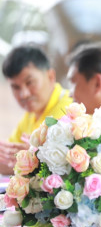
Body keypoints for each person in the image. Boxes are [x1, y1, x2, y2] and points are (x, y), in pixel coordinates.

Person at [0, 45, 72, 175]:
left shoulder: (71, 109)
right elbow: (8, 159)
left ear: (50, 76)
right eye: (16, 87)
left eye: (30, 82)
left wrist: (36, 158)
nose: (24, 94)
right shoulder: (30, 115)